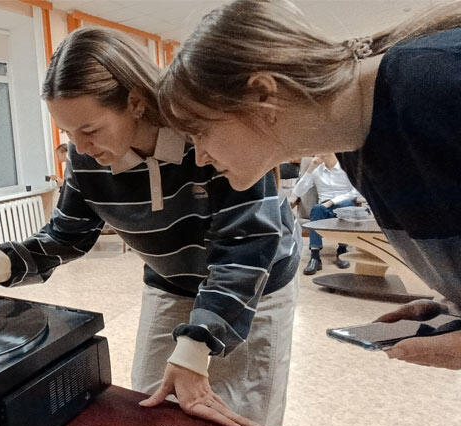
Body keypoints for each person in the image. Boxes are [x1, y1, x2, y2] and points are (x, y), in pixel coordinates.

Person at [0, 27, 301, 426]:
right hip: (172, 280)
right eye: (67, 133)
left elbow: (246, 243)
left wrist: (196, 347)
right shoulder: (86, 158)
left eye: (89, 130)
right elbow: (67, 236)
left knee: (241, 418)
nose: (80, 147)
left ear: (135, 102)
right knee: (152, 403)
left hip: (255, 281)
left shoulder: (209, 132)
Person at [158, 0, 461, 369]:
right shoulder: (356, 144)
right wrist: (451, 305)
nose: (200, 158)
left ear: (262, 95)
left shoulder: (435, 81)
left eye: (200, 132)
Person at [292, 153, 361, 274]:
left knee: (345, 206)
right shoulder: (316, 169)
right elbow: (298, 191)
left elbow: (356, 191)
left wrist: (332, 202)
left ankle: (342, 251)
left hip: (344, 205)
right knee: (316, 209)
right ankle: (315, 257)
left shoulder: (346, 167)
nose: (318, 152)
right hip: (324, 207)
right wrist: (310, 169)